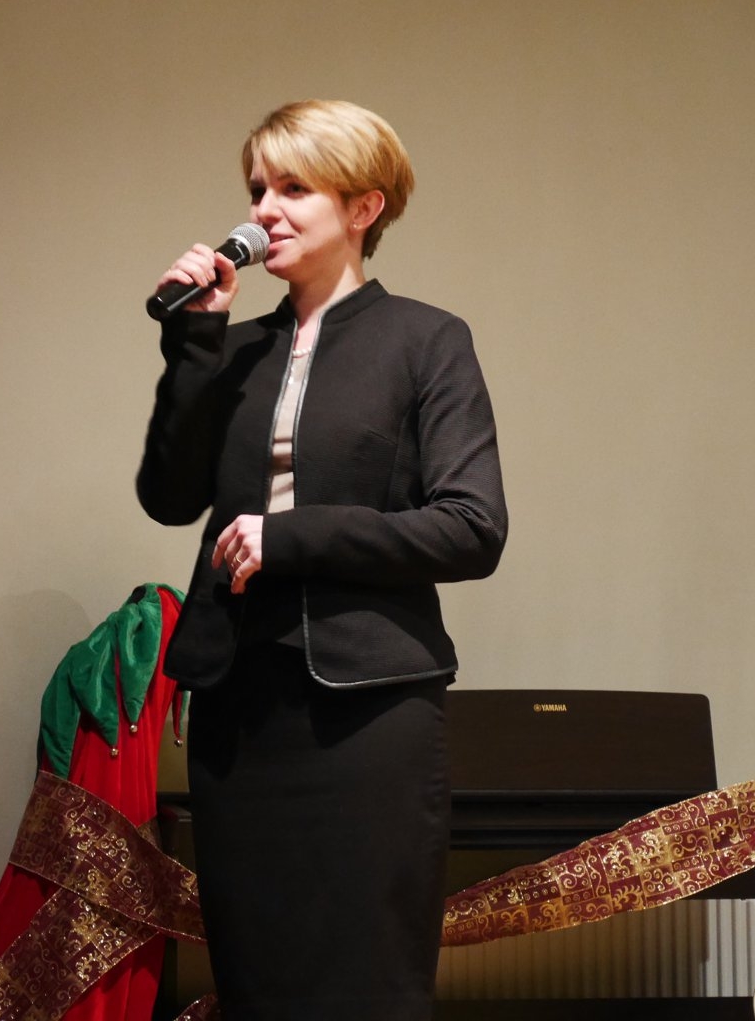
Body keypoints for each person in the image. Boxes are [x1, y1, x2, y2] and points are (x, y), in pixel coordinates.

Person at [136, 99, 507, 1020]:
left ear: (363, 207)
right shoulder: (233, 350)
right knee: (254, 980)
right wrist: (192, 343)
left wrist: (292, 535)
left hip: (368, 713)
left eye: (293, 188)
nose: (264, 209)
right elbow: (168, 497)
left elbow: (471, 527)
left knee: (367, 982)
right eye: (257, 188)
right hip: (237, 709)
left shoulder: (426, 340)